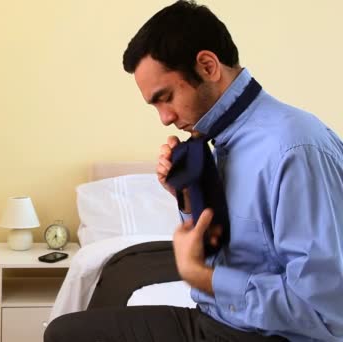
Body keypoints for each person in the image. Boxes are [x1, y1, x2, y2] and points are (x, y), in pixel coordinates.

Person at [44, 1, 343, 341]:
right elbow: (242, 249)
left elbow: (326, 310)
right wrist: (188, 197)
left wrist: (203, 277)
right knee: (65, 332)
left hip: (265, 335)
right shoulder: (220, 145)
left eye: (165, 97)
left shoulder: (294, 150)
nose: (165, 118)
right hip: (215, 320)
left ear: (207, 66)